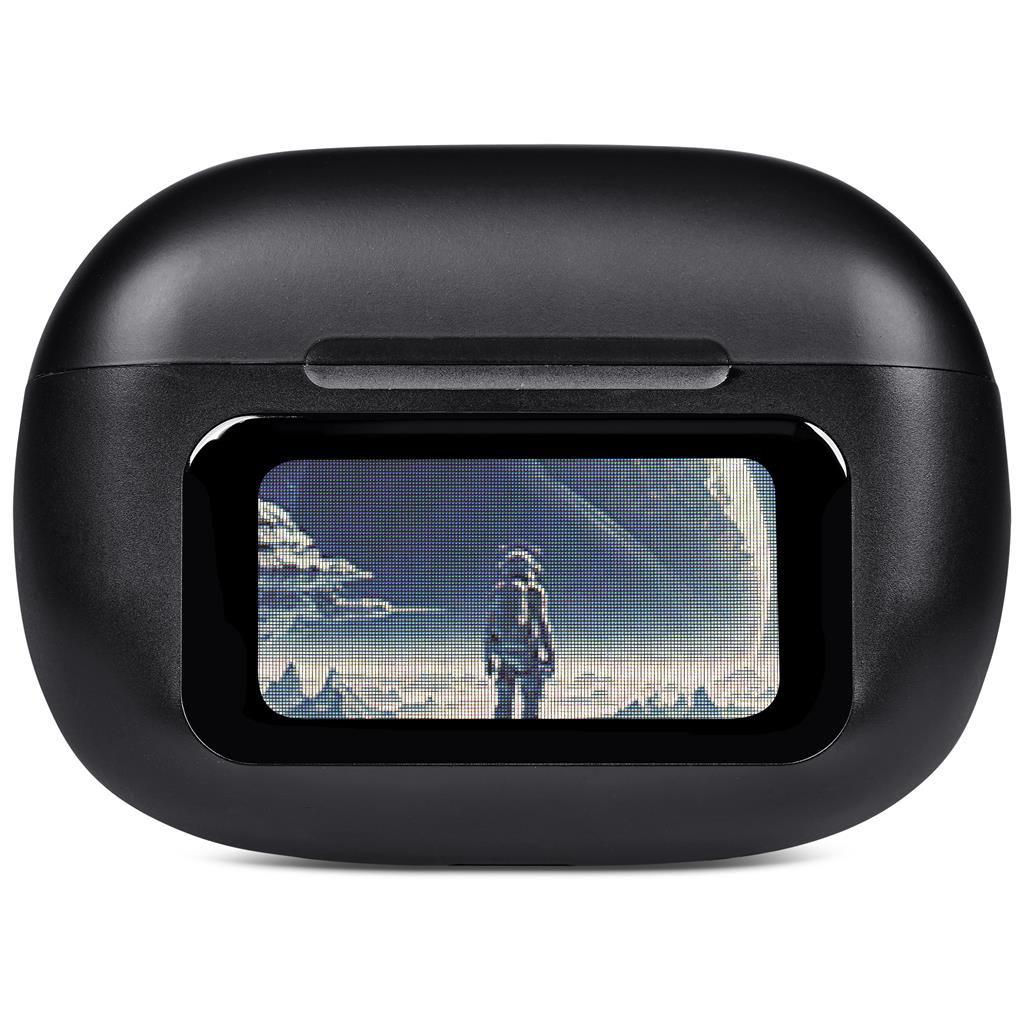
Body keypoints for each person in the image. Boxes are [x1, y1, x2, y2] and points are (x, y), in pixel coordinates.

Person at [484, 549, 555, 719]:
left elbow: (490, 626)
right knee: (530, 704)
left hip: (504, 655)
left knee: (503, 704)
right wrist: (550, 655)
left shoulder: (498, 591)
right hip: (529, 655)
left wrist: (488, 658)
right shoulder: (535, 592)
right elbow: (543, 625)